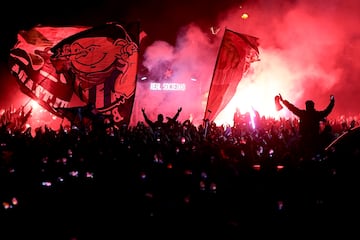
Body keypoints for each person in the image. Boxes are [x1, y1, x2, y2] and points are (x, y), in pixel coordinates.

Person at [278, 94, 335, 159]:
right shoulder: (316, 115)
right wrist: (332, 102)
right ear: (313, 106)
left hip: (305, 140)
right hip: (314, 140)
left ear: (307, 106)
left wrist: (283, 101)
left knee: (303, 157)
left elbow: (292, 108)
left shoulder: (303, 114)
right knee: (317, 156)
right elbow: (327, 111)